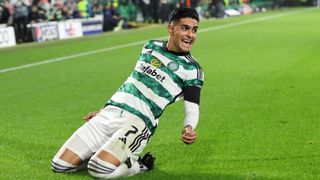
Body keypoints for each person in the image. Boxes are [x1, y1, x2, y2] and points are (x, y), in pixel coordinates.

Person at [52, 7, 204, 179]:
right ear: (171, 28)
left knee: (98, 169)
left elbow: (192, 107)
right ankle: (107, 155)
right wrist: (105, 109)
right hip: (111, 113)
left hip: (138, 122)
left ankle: (138, 165)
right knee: (60, 165)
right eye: (185, 28)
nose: (190, 34)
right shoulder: (150, 47)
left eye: (194, 30)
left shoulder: (192, 69)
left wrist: (189, 127)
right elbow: (132, 82)